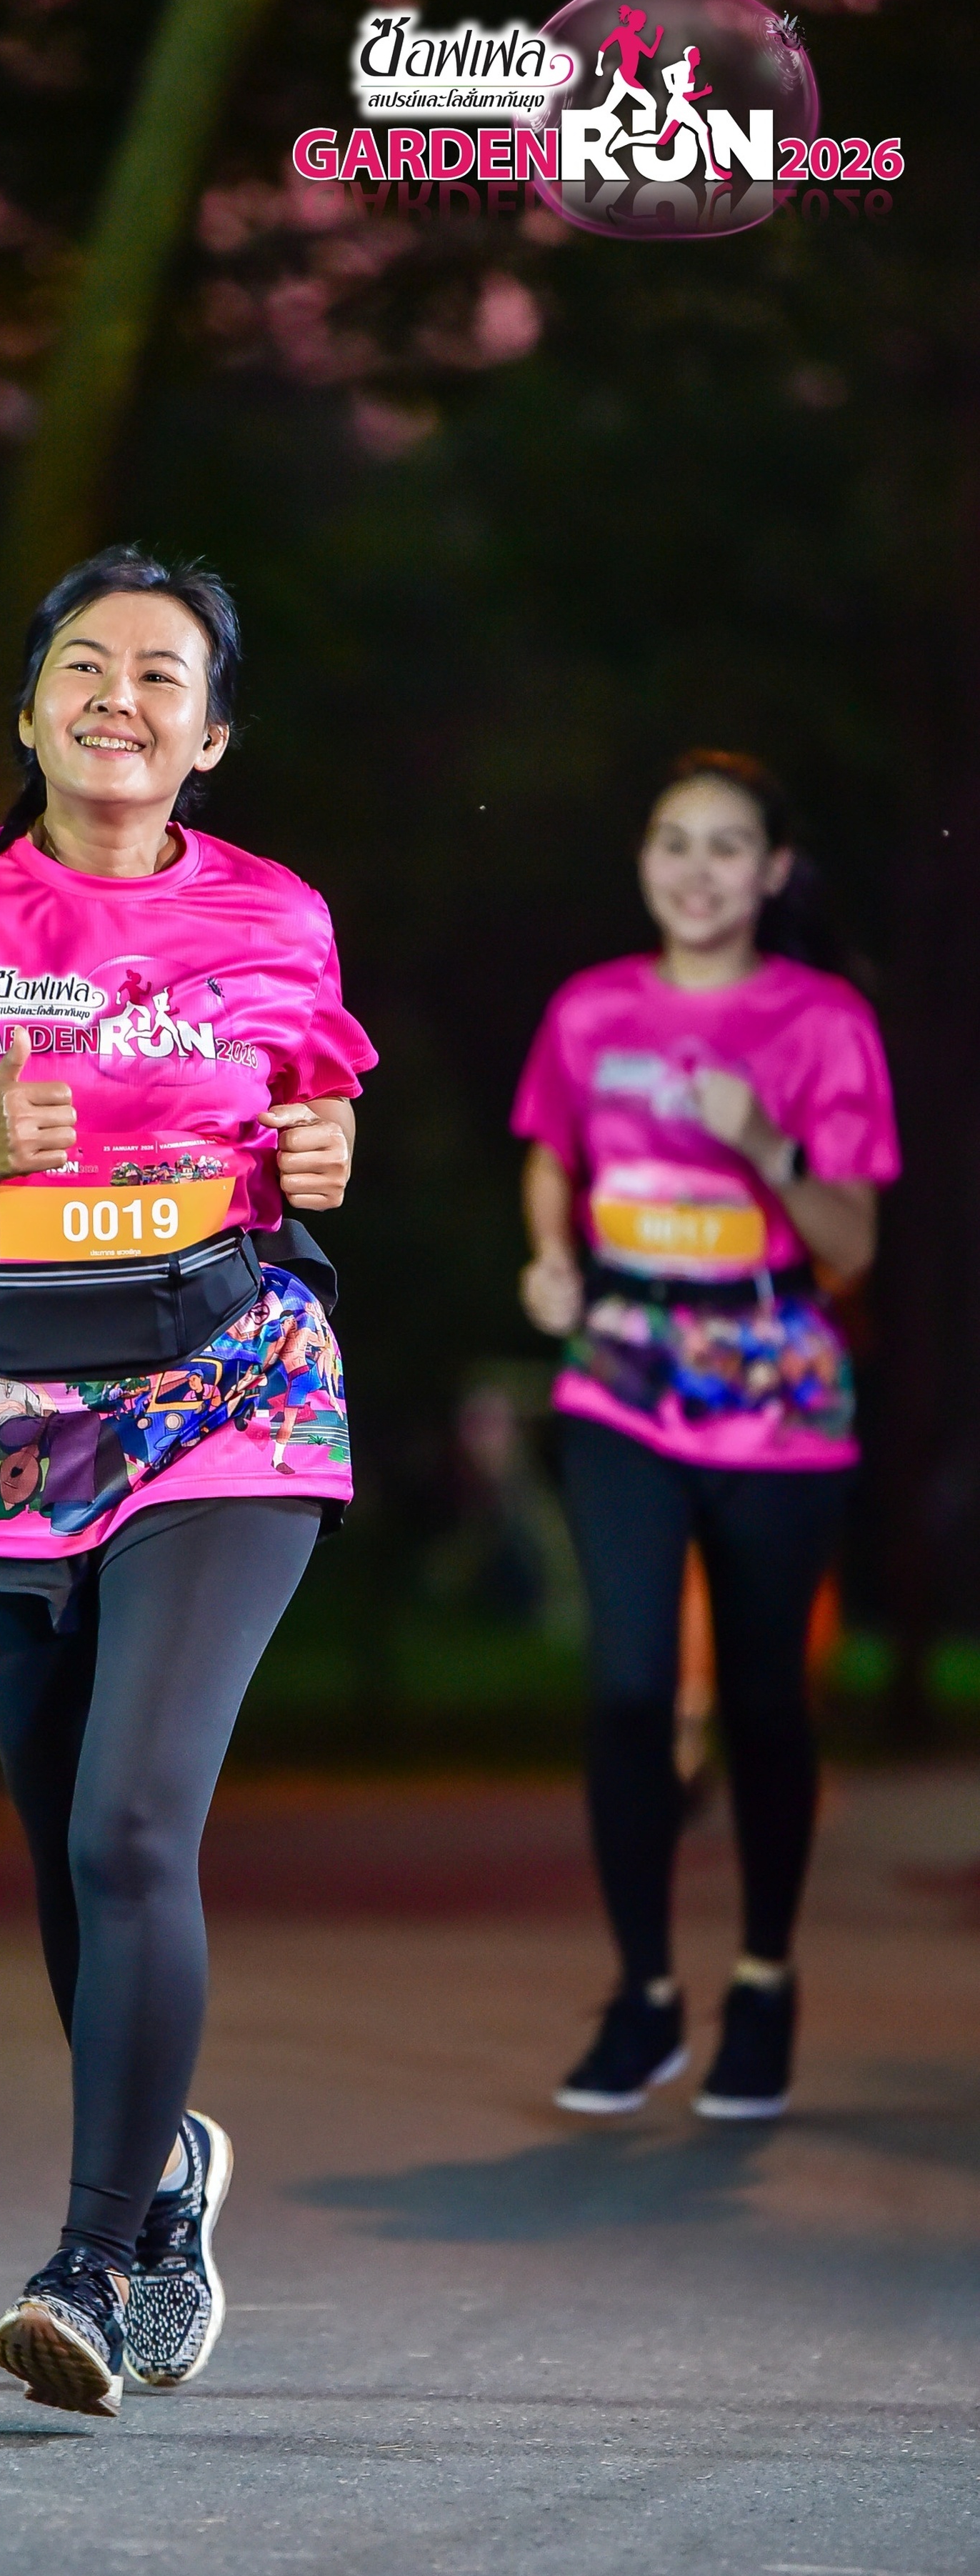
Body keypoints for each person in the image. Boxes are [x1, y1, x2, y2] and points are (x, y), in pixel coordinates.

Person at [0, 546, 375, 2415]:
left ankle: (93, 2266)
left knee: (131, 1826)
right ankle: (167, 2168)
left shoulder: (278, 914)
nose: (122, 697)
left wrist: (325, 1156)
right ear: (30, 708)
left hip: (228, 1388)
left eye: (163, 674)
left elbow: (315, 1125)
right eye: (86, 666)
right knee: (66, 1856)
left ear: (214, 735)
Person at [512, 751, 899, 2122]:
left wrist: (767, 1150)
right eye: (673, 841)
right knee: (628, 1689)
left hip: (775, 1380)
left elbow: (853, 1245)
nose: (696, 870)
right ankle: (644, 1998)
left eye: (727, 846)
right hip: (621, 1369)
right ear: (643, 860)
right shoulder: (589, 1010)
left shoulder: (824, 1022)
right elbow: (551, 1154)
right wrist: (551, 1258)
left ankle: (763, 1979)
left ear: (773, 871)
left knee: (762, 1702)